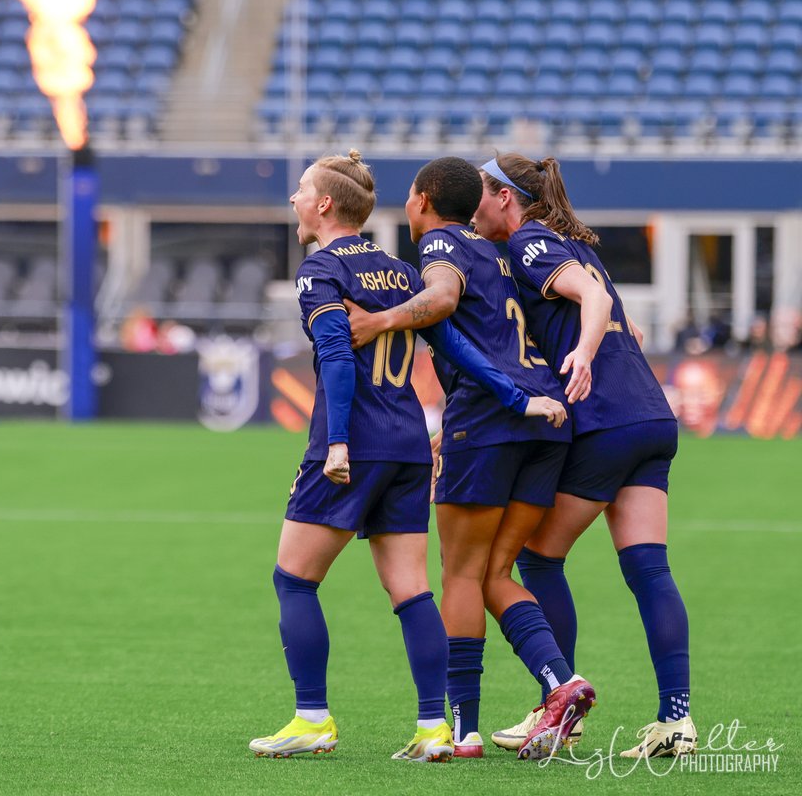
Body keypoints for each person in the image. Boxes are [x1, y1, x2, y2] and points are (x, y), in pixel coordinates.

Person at [248, 151, 566, 762]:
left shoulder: (319, 270)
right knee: (412, 591)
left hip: (353, 444)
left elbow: (339, 359)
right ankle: (432, 729)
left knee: (293, 579)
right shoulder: (398, 268)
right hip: (409, 445)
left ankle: (311, 716)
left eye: (300, 190)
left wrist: (337, 442)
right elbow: (454, 340)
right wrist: (516, 396)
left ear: (323, 205)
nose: (293, 199)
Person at [344, 157, 593, 761]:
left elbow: (444, 299)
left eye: (408, 196)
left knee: (460, 573)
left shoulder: (442, 246)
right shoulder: (505, 249)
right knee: (495, 574)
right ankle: (562, 683)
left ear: (424, 200)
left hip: (489, 420)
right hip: (545, 418)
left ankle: (465, 731)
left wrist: (379, 320)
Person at [472, 154, 695, 759]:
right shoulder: (575, 245)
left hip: (606, 423)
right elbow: (633, 330)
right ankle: (676, 718)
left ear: (506, 199)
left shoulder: (531, 244)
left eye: (482, 191)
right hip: (650, 416)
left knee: (537, 559)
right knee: (649, 569)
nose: (474, 201)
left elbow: (593, 302)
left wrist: (584, 353)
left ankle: (559, 704)